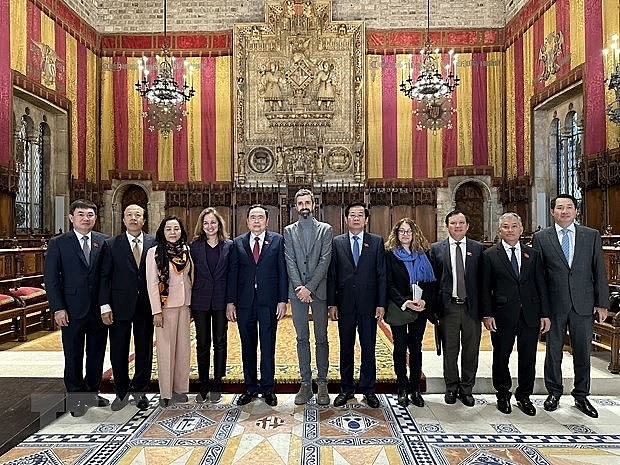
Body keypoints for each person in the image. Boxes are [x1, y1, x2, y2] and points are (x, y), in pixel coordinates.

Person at [532, 194, 609, 418]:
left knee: (583, 352)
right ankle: (554, 392)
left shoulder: (591, 235)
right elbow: (539, 276)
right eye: (559, 208)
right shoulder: (542, 237)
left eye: (568, 207)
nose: (564, 212)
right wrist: (542, 310)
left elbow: (599, 272)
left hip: (584, 304)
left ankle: (581, 395)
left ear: (576, 211)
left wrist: (602, 303)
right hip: (554, 306)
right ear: (552, 212)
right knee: (553, 352)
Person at [44, 199, 110, 417]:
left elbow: (106, 277)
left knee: (96, 354)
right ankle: (75, 397)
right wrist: (57, 308)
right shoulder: (59, 243)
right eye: (81, 214)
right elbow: (51, 278)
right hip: (70, 309)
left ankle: (92, 392)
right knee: (73, 354)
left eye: (90, 214)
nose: (86, 218)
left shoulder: (104, 241)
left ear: (95, 218)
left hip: (97, 309)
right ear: (71, 217)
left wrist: (106, 305)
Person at [481, 212, 551, 416]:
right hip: (502, 314)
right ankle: (503, 394)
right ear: (499, 230)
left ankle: (524, 395)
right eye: (505, 226)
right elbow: (485, 288)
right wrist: (487, 314)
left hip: (530, 313)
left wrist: (545, 314)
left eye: (514, 226)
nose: (510, 230)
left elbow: (541, 285)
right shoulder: (490, 255)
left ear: (521, 229)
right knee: (501, 356)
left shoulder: (533, 254)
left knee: (528, 356)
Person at [226, 204, 288, 407]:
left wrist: (282, 300)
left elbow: (282, 272)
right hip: (245, 303)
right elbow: (232, 274)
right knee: (248, 346)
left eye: (260, 217)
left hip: (269, 302)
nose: (256, 221)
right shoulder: (238, 243)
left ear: (267, 221)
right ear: (247, 221)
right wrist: (231, 302)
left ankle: (268, 388)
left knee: (268, 345)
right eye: (253, 217)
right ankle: (251, 387)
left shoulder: (278, 241)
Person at [328, 201, 386, 408]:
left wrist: (381, 304)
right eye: (352, 215)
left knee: (369, 348)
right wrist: (332, 304)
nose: (355, 218)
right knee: (346, 347)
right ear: (346, 219)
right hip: (345, 305)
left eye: (360, 215)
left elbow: (381, 275)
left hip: (369, 305)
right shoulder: (337, 242)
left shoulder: (377, 242)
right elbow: (332, 274)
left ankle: (369, 390)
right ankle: (346, 389)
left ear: (366, 219)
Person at [99, 204, 155, 411]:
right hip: (119, 306)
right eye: (129, 215)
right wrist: (104, 306)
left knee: (144, 351)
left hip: (146, 306)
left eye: (138, 215)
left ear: (144, 219)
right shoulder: (111, 244)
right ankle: (121, 393)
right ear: (123, 219)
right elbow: (105, 276)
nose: (133, 218)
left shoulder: (153, 243)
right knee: (119, 350)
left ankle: (140, 391)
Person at [429, 210, 484, 407]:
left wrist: (485, 311)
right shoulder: (436, 249)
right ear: (447, 226)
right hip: (448, 307)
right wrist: (433, 310)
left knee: (471, 351)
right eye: (453, 223)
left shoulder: (478, 249)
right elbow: (432, 282)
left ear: (468, 226)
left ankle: (467, 389)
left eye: (461, 223)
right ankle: (451, 387)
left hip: (472, 308)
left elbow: (483, 283)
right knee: (450, 350)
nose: (458, 226)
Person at [284, 189, 333, 406]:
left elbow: (325, 261)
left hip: (319, 292)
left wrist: (310, 288)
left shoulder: (325, 230)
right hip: (297, 294)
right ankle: (305, 383)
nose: (304, 206)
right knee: (302, 338)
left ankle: (322, 382)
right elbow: (290, 261)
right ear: (295, 207)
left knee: (321, 338)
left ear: (314, 205)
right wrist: (299, 288)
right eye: (300, 203)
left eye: (307, 202)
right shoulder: (288, 231)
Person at [384, 218, 436, 408]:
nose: (405, 234)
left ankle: (415, 388)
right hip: (399, 307)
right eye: (402, 231)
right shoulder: (390, 255)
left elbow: (430, 282)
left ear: (415, 234)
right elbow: (388, 283)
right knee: (399, 347)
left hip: (420, 308)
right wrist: (404, 301)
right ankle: (402, 387)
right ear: (396, 234)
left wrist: (424, 301)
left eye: (409, 231)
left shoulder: (423, 254)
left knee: (416, 347)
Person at [146, 216, 193, 408]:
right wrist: (156, 310)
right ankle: (165, 392)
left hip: (184, 305)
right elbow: (151, 282)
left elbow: (190, 278)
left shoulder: (186, 250)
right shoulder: (154, 253)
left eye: (176, 228)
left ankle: (180, 389)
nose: (173, 232)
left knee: (183, 349)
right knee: (165, 350)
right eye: (169, 229)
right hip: (164, 308)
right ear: (162, 232)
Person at [189, 207, 233, 404]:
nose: (210, 226)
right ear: (202, 225)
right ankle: (203, 383)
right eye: (206, 223)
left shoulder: (229, 246)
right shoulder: (194, 247)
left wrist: (232, 302)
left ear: (219, 225)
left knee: (220, 341)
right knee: (202, 343)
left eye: (213, 223)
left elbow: (232, 275)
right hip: (200, 301)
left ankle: (217, 382)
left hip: (221, 301)